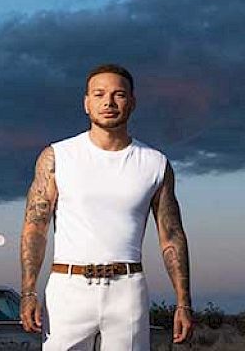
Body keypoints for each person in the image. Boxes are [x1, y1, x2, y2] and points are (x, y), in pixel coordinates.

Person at [19, 64, 193, 350]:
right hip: (67, 289)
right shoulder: (57, 157)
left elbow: (172, 236)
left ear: (132, 102)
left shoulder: (155, 163)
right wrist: (28, 292)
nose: (108, 102)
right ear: (87, 103)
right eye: (99, 94)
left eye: (118, 94)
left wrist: (183, 303)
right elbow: (34, 228)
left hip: (128, 290)